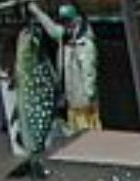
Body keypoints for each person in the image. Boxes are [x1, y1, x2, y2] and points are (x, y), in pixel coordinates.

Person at [27, 3, 98, 134]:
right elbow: (52, 29)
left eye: (68, 21)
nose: (65, 25)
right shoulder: (65, 38)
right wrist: (37, 12)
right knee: (74, 133)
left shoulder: (85, 44)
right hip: (71, 101)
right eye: (64, 22)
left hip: (83, 102)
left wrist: (88, 97)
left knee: (88, 134)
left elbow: (89, 73)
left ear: (76, 21)